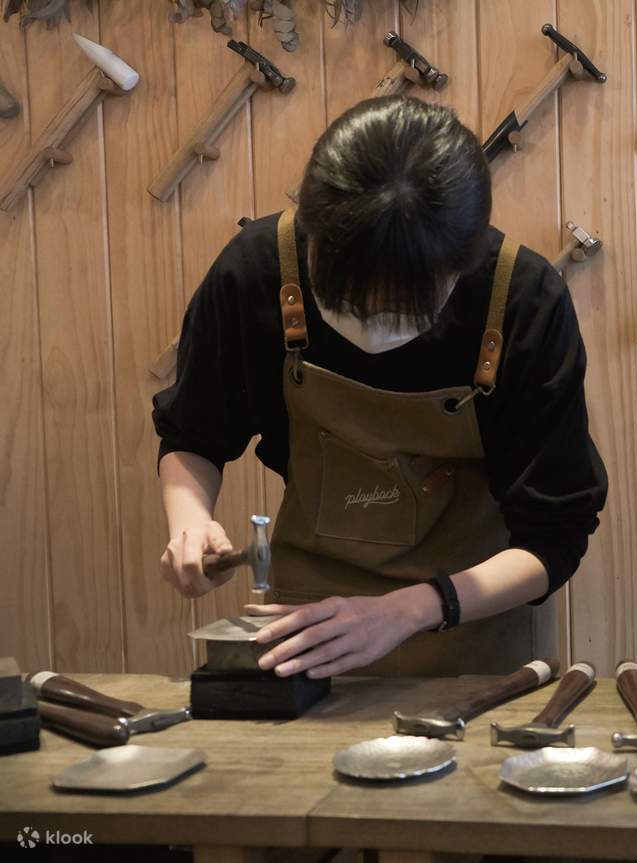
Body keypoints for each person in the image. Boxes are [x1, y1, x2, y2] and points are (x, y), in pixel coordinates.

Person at [153, 96, 607, 678]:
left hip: (470, 635)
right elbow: (193, 433)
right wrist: (189, 523)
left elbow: (555, 538)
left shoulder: (520, 300)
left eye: (400, 309)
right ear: (314, 236)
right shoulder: (260, 269)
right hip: (306, 634)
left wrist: (407, 611)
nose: (371, 325)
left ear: (461, 265)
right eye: (346, 302)